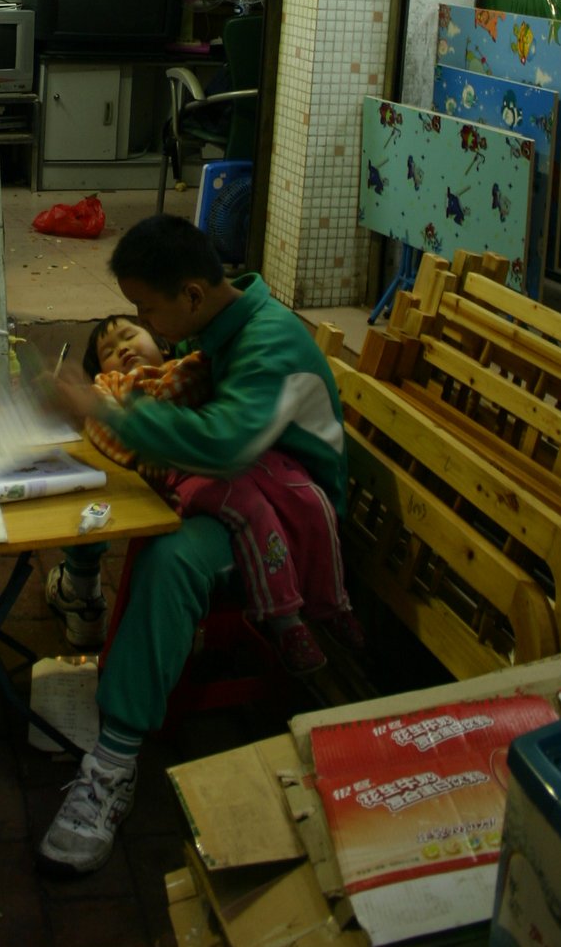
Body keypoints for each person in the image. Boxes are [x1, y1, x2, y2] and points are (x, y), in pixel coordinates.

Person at [36, 214, 354, 878]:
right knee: (109, 480)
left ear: (189, 294)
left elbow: (224, 444)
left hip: (287, 511)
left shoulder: (269, 344)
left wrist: (102, 410)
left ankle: (111, 767)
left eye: (145, 308)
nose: (141, 321)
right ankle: (81, 589)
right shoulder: (220, 324)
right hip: (241, 486)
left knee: (170, 554)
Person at [49, 313, 355, 675]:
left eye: (130, 336)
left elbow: (220, 403)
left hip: (238, 464)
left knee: (311, 501)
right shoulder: (112, 386)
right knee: (252, 512)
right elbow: (103, 426)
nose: (124, 349)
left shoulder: (191, 365)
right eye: (109, 351)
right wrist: (142, 444)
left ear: (161, 341)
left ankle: (332, 605)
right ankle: (284, 621)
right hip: (189, 475)